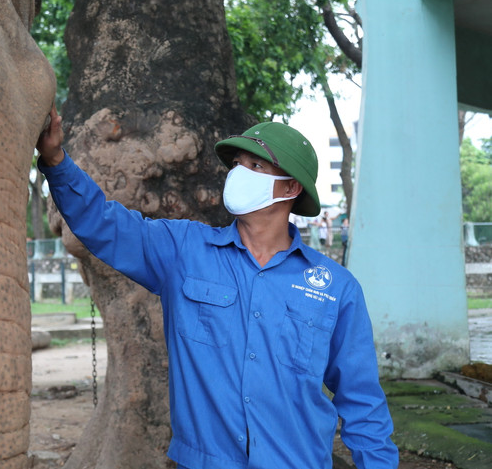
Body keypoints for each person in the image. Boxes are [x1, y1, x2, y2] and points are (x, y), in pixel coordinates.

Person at [37, 107, 398, 469]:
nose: (239, 173)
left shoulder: (336, 288)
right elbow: (104, 224)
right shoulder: (183, 251)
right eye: (237, 164)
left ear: (290, 187)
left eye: (256, 166)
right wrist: (55, 160)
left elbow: (362, 401)